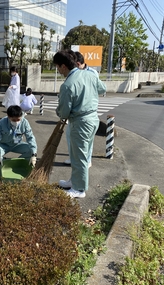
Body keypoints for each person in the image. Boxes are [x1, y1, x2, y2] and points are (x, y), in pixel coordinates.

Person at [54, 50, 106, 198]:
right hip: (93, 120)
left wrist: (60, 111)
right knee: (80, 155)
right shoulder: (90, 74)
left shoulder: (67, 85)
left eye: (57, 67)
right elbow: (103, 89)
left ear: (63, 66)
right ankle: (74, 181)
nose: (58, 71)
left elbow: (63, 113)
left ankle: (79, 189)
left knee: (80, 157)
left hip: (81, 123)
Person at [64, 51, 100, 166]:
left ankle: (86, 160)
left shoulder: (92, 73)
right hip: (74, 115)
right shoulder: (73, 75)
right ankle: (73, 158)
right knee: (70, 136)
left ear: (78, 63)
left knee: (86, 142)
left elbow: (100, 89)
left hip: (85, 114)